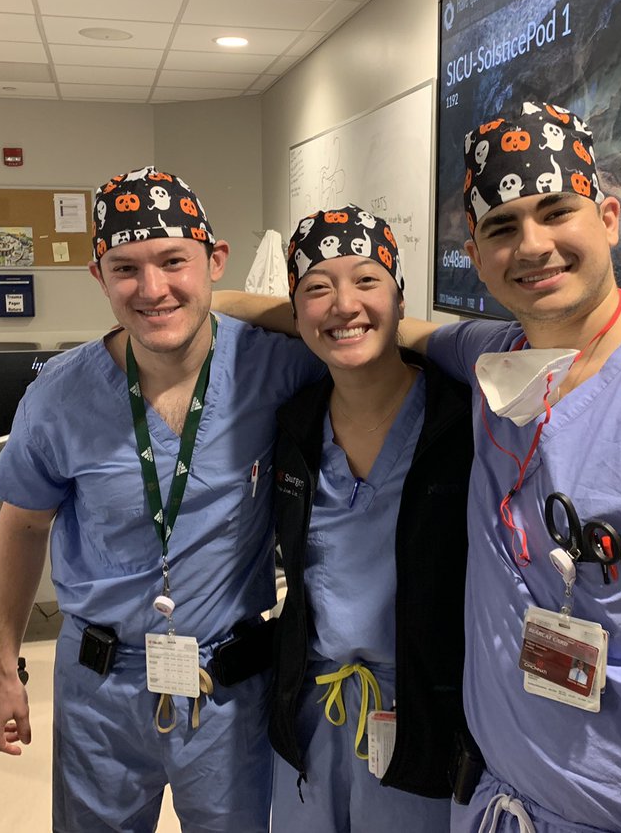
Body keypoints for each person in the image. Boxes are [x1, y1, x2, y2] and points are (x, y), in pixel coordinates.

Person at [215, 101, 621, 832]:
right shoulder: (493, 362)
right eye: (502, 227)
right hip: (491, 803)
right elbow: (374, 328)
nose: (533, 245)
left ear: (610, 218)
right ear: (477, 256)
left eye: (556, 212)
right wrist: (204, 305)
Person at [0, 166, 320, 833]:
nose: (153, 289)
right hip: (99, 690)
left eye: (173, 262)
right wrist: (2, 667)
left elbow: (365, 334)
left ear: (216, 261)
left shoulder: (275, 367)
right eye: (125, 268)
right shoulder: (59, 397)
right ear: (98, 276)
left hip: (227, 687)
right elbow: (21, 529)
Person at [267, 206, 474, 832]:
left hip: (423, 709)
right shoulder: (294, 425)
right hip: (312, 708)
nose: (343, 305)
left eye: (365, 280)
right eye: (317, 288)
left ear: (400, 296)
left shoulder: (458, 422)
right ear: (296, 310)